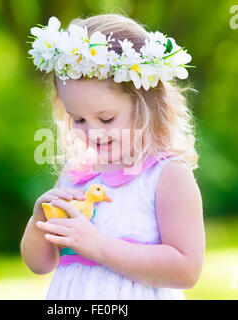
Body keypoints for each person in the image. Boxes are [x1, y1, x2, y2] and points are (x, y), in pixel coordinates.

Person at [20, 13, 205, 300]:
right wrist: (38, 221)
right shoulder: (76, 175)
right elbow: (41, 264)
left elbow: (187, 270)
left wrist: (98, 247)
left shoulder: (166, 176)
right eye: (78, 119)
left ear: (146, 106)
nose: (92, 132)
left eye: (106, 119)